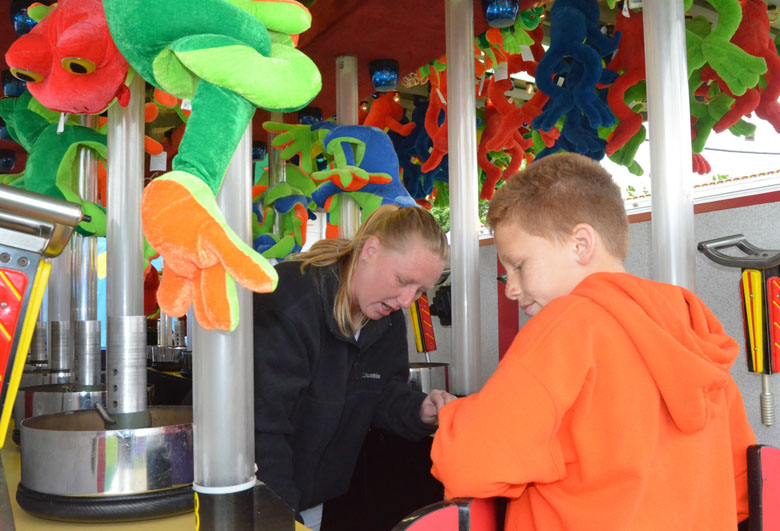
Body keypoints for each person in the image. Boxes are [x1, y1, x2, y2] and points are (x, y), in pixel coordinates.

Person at [430, 152, 756, 530]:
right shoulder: (693, 329)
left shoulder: (568, 325)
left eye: (519, 265)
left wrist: (455, 416)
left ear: (581, 244)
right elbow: (741, 488)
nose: (512, 290)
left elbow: (468, 464)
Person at [253, 204, 457, 531]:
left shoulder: (388, 320)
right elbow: (262, 428)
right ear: (370, 250)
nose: (407, 301)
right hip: (257, 495)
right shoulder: (290, 303)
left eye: (419, 291)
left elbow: (382, 393)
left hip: (312, 494)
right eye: (403, 280)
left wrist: (420, 411)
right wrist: (282, 516)